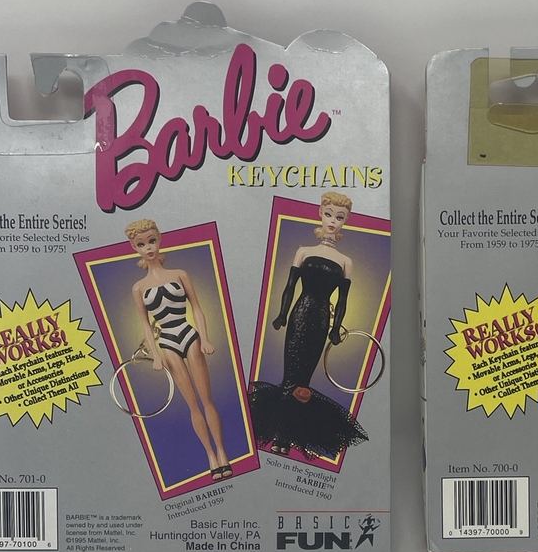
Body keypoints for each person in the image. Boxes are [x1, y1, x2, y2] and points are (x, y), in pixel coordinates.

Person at [249, 192, 368, 459]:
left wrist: (336, 327)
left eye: (340, 217)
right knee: (290, 376)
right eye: (329, 214)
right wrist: (282, 314)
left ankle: (285, 436)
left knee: (303, 381)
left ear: (346, 220)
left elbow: (343, 300)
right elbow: (290, 287)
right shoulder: (304, 251)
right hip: (299, 314)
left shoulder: (346, 262)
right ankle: (282, 436)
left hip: (321, 321)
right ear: (320, 213)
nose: (333, 221)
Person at [125, 218, 233, 481]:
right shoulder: (138, 288)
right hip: (168, 343)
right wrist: (155, 355)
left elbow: (196, 307)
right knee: (192, 404)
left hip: (188, 334)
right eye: (141, 244)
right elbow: (146, 325)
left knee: (206, 399)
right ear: (134, 248)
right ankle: (210, 455)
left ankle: (222, 452)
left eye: (151, 241)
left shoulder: (180, 274)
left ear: (159, 239)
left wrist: (205, 338)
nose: (148, 248)